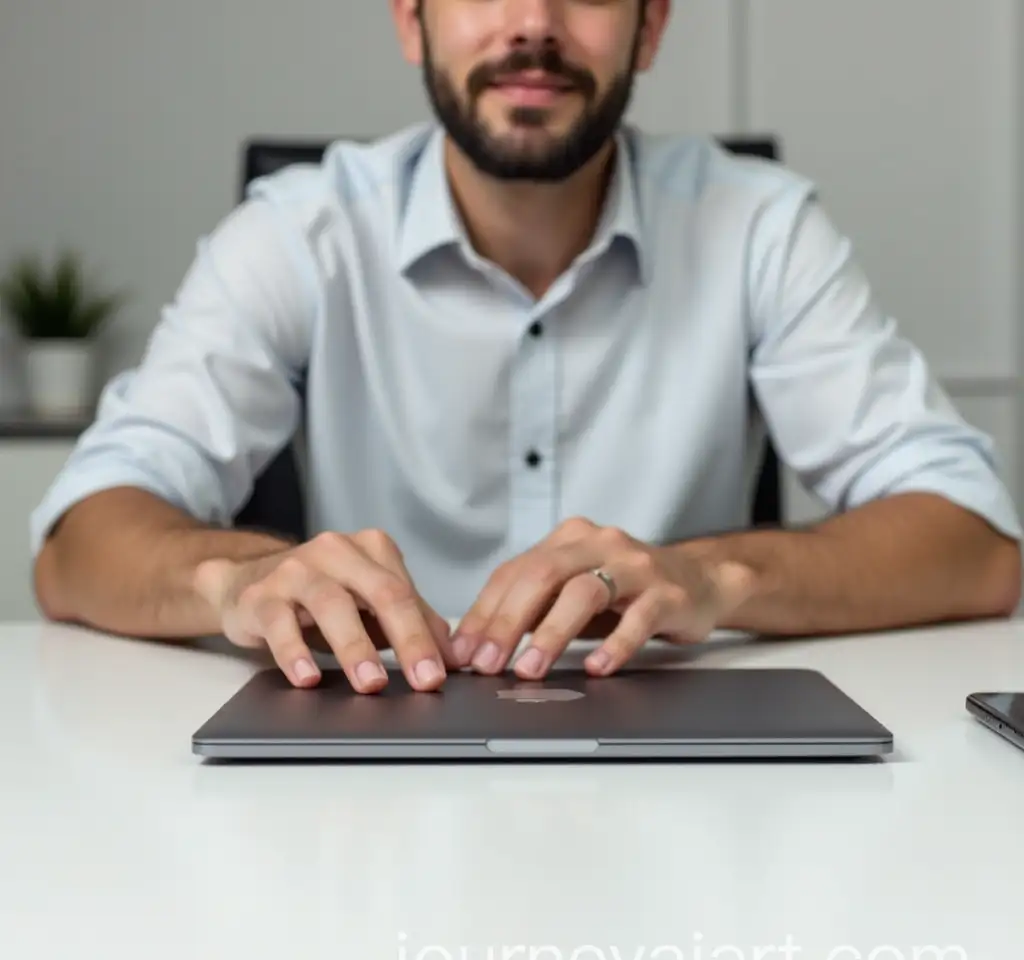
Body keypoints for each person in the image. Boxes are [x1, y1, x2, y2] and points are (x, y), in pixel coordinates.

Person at [30, 0, 1022, 695]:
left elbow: (975, 547)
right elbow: (78, 546)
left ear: (653, 22)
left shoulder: (758, 226)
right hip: (358, 790)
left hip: (689, 790)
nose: (533, 22)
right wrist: (235, 582)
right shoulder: (295, 233)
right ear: (410, 17)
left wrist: (710, 577)